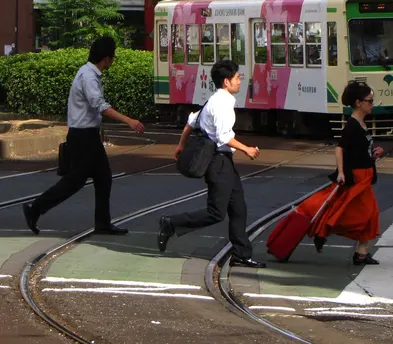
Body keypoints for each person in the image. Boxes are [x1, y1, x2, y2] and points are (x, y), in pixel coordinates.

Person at [23, 37, 145, 236]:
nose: (113, 60)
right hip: (83, 137)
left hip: (88, 135)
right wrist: (128, 120)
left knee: (103, 177)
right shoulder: (88, 76)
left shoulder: (90, 73)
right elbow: (99, 105)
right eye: (113, 56)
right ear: (106, 58)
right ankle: (35, 209)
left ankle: (103, 223)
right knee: (74, 181)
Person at [158, 59, 266, 269]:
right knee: (217, 212)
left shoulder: (214, 100)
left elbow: (191, 122)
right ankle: (171, 223)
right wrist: (247, 149)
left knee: (239, 208)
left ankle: (241, 254)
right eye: (236, 78)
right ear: (226, 82)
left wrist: (181, 146)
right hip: (218, 162)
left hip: (224, 161)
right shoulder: (222, 104)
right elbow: (224, 137)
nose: (239, 82)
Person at [297, 81, 383, 265]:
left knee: (365, 213)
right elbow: (340, 149)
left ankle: (360, 252)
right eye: (370, 101)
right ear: (359, 103)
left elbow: (360, 149)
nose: (372, 104)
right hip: (357, 177)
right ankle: (323, 231)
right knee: (358, 213)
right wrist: (341, 173)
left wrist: (374, 153)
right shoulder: (352, 125)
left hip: (365, 175)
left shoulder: (361, 123)